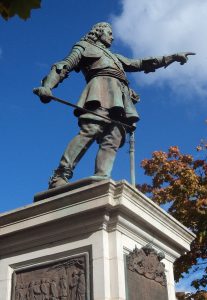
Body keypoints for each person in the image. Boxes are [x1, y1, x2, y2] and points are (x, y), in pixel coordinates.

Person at [34, 22, 193, 189]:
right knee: (91, 129)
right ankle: (61, 174)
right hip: (99, 91)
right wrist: (48, 86)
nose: (113, 36)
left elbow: (141, 63)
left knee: (114, 137)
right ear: (98, 32)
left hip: (119, 98)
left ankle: (102, 177)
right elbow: (64, 65)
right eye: (109, 32)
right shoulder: (84, 46)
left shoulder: (116, 58)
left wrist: (173, 57)